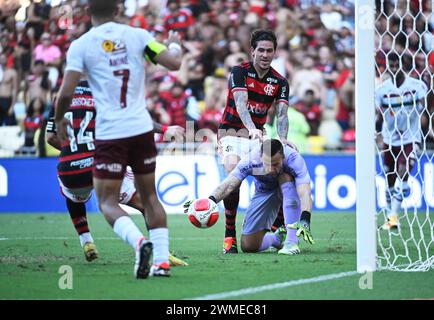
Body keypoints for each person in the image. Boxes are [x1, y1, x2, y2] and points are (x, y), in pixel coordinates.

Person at [54, 0, 183, 279]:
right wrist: (175, 45)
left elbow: (66, 92)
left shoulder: (81, 45)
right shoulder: (138, 36)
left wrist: (61, 116)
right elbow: (173, 63)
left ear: (88, 13)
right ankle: (161, 261)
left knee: (108, 202)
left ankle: (140, 243)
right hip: (140, 128)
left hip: (111, 133)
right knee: (150, 197)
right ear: (117, 10)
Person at [46, 79, 187, 266]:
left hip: (69, 170)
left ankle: (87, 241)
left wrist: (70, 149)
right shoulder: (103, 91)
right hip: (100, 163)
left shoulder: (60, 97)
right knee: (144, 203)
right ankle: (161, 252)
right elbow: (133, 119)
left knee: (73, 197)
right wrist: (164, 129)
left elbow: (50, 137)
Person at [217, 29, 292, 253]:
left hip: (256, 135)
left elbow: (282, 115)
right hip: (232, 132)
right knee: (232, 169)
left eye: (270, 50)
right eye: (261, 50)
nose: (265, 54)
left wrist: (283, 138)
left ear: (275, 53)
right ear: (252, 51)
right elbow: (241, 103)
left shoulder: (280, 81)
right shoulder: (239, 71)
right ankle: (229, 234)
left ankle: (279, 228)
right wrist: (251, 128)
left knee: (281, 172)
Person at [185, 139, 314, 255]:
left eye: (275, 164)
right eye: (267, 164)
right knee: (248, 246)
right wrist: (210, 200)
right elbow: (229, 184)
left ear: (283, 157)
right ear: (260, 157)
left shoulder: (293, 159)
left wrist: (305, 218)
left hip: (288, 189)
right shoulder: (251, 160)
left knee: (285, 176)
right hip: (264, 192)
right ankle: (278, 238)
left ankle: (292, 242)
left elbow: (304, 192)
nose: (271, 169)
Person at [375, 53, 428, 230]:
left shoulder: (417, 86)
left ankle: (393, 216)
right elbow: (378, 116)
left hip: (411, 137)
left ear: (405, 67)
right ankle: (391, 214)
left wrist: (426, 125)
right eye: (392, 65)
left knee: (404, 170)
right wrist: (376, 132)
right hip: (390, 138)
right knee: (390, 178)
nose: (395, 68)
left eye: (398, 65)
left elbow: (426, 109)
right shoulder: (382, 90)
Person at [0, 52, 18, 126]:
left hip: (7, 100)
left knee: (10, 124)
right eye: (1, 58)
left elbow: (15, 89)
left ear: (7, 59)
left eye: (4, 58)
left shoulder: (12, 72)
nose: (2, 60)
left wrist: (12, 106)